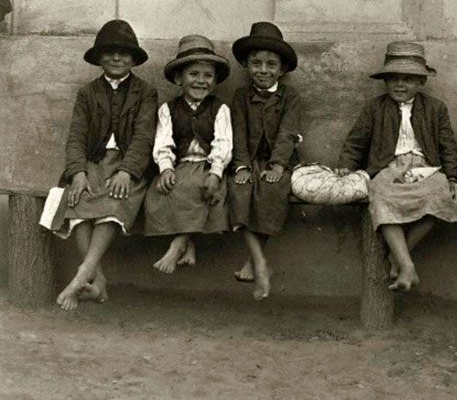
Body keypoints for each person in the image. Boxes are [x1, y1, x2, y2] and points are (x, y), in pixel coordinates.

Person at [336, 42, 457, 292]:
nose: (400, 84)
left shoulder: (435, 108)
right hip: (388, 166)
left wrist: (452, 177)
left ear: (421, 82)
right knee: (380, 196)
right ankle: (407, 265)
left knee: (443, 197)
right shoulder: (375, 108)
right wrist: (346, 165)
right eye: (393, 79)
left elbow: (448, 147)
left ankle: (397, 257)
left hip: (426, 168)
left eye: (408, 79)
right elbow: (356, 141)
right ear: (385, 81)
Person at [45, 19, 157, 310]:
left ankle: (83, 273)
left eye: (124, 53)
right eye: (109, 52)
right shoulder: (87, 93)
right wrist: (78, 172)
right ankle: (99, 281)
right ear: (98, 58)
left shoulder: (146, 93)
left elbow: (144, 138)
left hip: (128, 165)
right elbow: (76, 137)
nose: (117, 58)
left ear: (133, 59)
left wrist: (126, 171)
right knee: (77, 198)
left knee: (115, 200)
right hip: (93, 163)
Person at [144, 35, 232, 273]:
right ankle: (189, 244)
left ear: (215, 81)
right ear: (178, 78)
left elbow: (223, 143)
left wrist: (215, 172)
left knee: (199, 189)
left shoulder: (220, 108)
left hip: (208, 165)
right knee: (161, 192)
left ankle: (177, 245)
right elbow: (163, 142)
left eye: (208, 76)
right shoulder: (168, 109)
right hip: (180, 164)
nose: (201, 81)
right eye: (193, 74)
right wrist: (166, 168)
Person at [228, 22, 302, 300]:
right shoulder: (240, 97)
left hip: (277, 162)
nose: (263, 70)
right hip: (248, 160)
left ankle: (254, 262)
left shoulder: (290, 97)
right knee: (240, 189)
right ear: (247, 65)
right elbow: (239, 132)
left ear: (281, 70)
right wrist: (242, 166)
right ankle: (260, 262)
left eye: (271, 65)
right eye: (256, 63)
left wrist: (278, 165)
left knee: (271, 190)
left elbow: (288, 133)